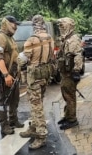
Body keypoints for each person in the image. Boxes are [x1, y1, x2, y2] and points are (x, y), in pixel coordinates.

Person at [18, 14, 54, 149]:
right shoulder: (50, 38)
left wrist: (18, 59)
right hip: (45, 75)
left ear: (34, 25)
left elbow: (23, 60)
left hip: (34, 78)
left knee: (36, 106)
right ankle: (33, 128)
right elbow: (51, 56)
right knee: (37, 103)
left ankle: (41, 136)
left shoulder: (31, 40)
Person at [0, 16, 24, 135]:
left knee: (14, 99)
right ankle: (4, 125)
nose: (16, 26)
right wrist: (6, 75)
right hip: (6, 75)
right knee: (4, 101)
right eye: (14, 24)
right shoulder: (0, 37)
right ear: (7, 24)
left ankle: (13, 120)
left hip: (14, 74)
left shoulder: (10, 38)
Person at [56, 17, 83, 130]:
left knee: (70, 96)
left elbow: (77, 54)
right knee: (66, 95)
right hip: (65, 73)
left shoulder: (73, 39)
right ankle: (67, 116)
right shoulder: (66, 39)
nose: (61, 28)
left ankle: (72, 119)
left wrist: (76, 70)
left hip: (70, 73)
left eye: (62, 26)